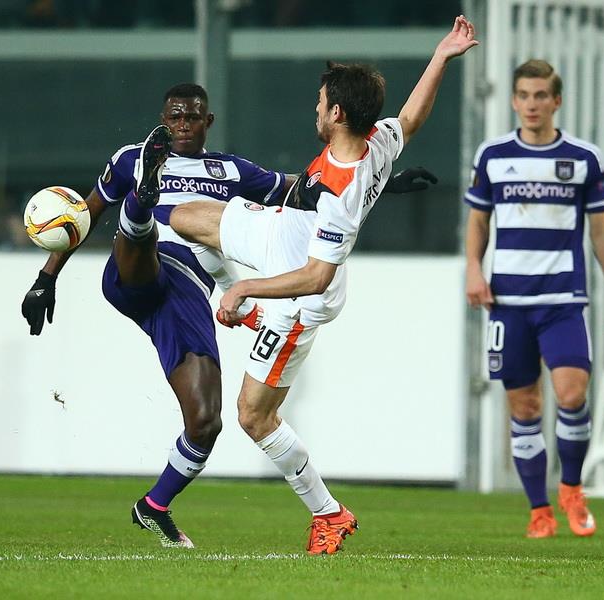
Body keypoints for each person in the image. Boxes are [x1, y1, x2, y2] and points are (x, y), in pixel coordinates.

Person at [20, 83, 435, 549]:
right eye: (173, 117)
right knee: (147, 243)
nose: (181, 125)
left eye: (191, 117)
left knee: (206, 420)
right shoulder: (129, 158)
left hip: (186, 296)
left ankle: (153, 506)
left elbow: (307, 189)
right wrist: (46, 278)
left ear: (207, 122)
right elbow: (84, 216)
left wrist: (382, 184)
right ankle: (140, 208)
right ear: (162, 119)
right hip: (137, 271)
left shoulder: (231, 171)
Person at [161, 16, 477, 555]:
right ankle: (244, 308)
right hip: (277, 232)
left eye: (320, 102)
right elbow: (410, 117)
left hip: (296, 297)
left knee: (253, 416)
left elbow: (317, 276)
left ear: (337, 114)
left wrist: (245, 290)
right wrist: (442, 56)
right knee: (184, 215)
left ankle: (328, 513)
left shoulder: (340, 191)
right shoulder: (375, 140)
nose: (315, 108)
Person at [464, 59, 604, 538]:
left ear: (556, 101)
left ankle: (572, 489)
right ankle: (539, 511)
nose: (532, 104)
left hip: (563, 300)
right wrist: (473, 269)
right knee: (524, 407)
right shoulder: (492, 155)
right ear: (513, 100)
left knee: (573, 393)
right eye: (524, 95)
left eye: (541, 95)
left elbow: (601, 230)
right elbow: (478, 221)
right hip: (508, 302)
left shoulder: (584, 158)